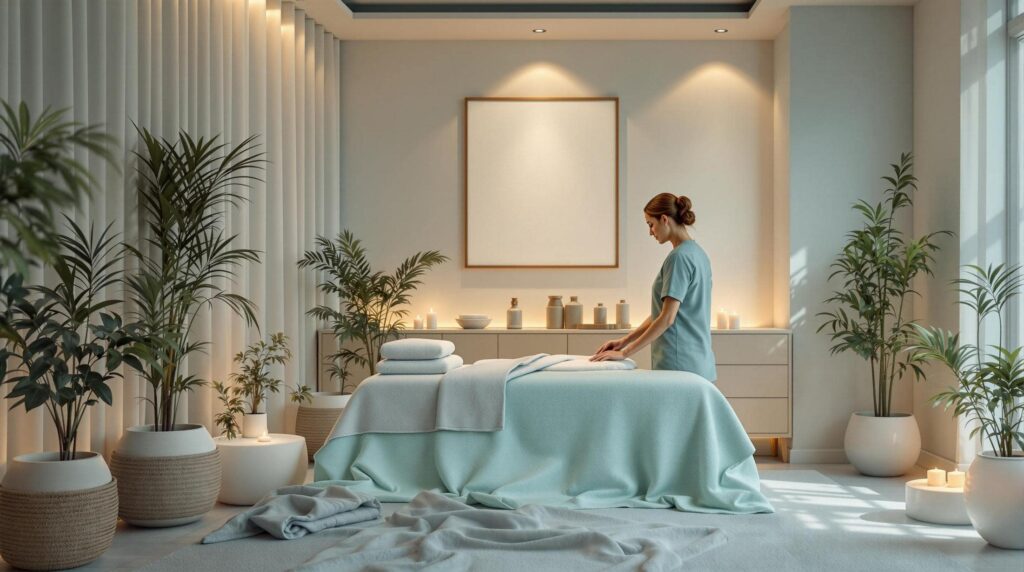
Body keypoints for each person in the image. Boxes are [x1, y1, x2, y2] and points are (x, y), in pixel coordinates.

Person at [590, 193, 717, 382]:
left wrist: (625, 353)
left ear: (664, 219)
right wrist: (623, 341)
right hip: (700, 364)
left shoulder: (679, 258)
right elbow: (662, 313)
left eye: (650, 224)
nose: (650, 231)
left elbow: (666, 318)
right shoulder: (699, 254)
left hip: (679, 366)